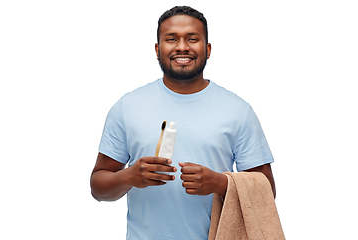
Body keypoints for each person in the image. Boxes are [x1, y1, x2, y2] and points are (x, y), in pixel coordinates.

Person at [90, 6, 276, 240]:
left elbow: (267, 191)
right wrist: (130, 176)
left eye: (192, 38)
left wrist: (220, 183)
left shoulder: (238, 111)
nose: (181, 47)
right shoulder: (127, 107)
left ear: (207, 49)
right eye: (171, 39)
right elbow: (97, 187)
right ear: (157, 49)